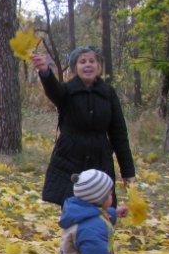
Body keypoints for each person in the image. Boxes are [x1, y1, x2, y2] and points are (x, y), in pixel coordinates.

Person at [31, 48, 136, 207]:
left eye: (92, 61)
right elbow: (54, 90)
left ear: (99, 66)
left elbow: (119, 134)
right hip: (69, 159)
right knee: (73, 211)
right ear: (75, 68)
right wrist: (45, 72)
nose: (88, 65)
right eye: (82, 61)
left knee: (103, 211)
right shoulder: (66, 91)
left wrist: (128, 172)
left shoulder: (108, 93)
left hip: (100, 161)